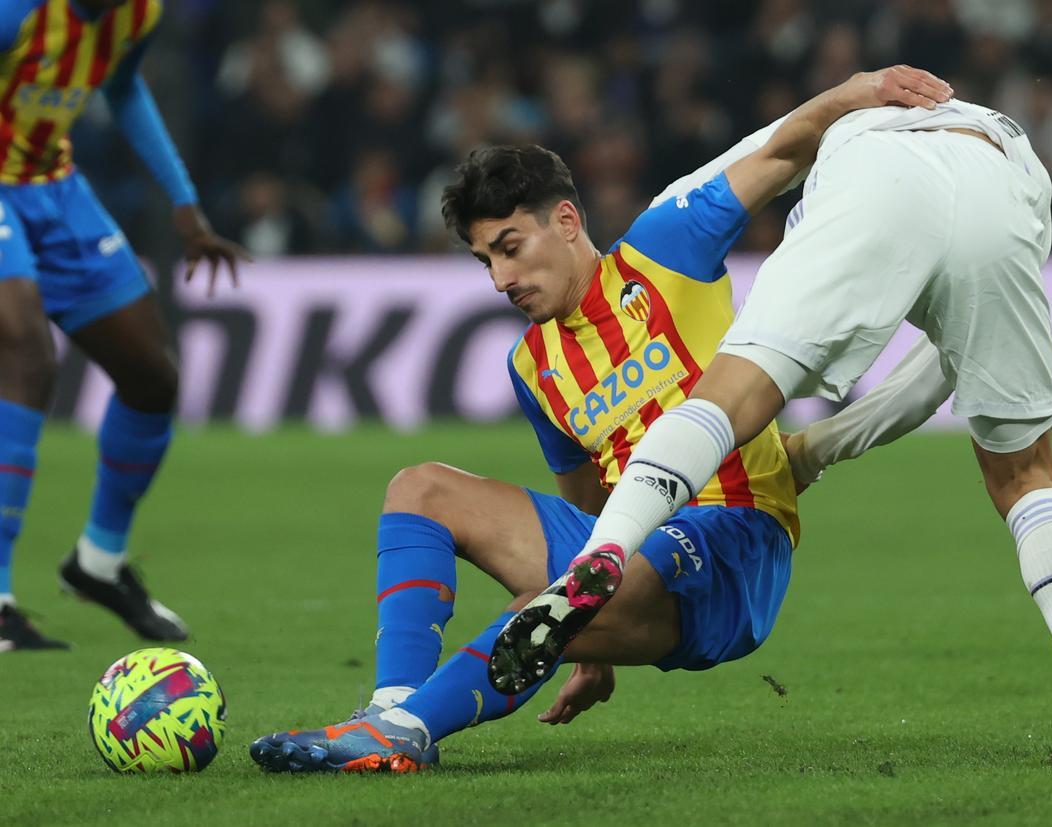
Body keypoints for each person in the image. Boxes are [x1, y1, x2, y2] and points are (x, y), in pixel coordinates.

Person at [247, 66, 951, 773]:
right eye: (484, 259)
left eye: (510, 247)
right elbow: (590, 505)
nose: (499, 279)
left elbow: (780, 153)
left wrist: (855, 91)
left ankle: (408, 730)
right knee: (420, 487)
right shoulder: (533, 364)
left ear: (566, 220)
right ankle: (388, 713)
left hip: (735, 538)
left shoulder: (665, 250)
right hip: (627, 553)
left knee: (543, 605)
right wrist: (588, 639)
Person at [494, 84, 1052, 767]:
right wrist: (819, 451)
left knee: (729, 396)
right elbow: (939, 372)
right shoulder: (1011, 181)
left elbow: (784, 144)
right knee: (1025, 473)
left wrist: (855, 91)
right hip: (1003, 181)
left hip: (874, 165)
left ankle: (603, 557)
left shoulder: (788, 158)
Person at [0, 0, 247, 651]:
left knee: (150, 377)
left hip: (56, 187)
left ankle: (99, 561)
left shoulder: (136, 13)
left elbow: (124, 87)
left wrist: (184, 202)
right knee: (26, 358)